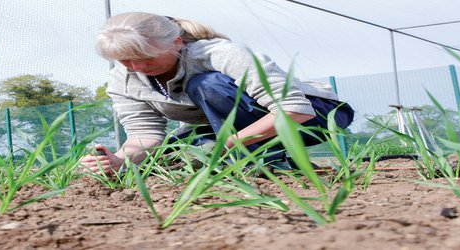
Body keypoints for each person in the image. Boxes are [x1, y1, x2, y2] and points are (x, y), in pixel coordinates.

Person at [80, 12, 354, 174]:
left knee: (207, 85)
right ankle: (267, 159)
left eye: (145, 56)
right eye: (125, 60)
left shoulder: (219, 54)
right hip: (229, 130)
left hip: (315, 118)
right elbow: (144, 135)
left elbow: (295, 109)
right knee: (170, 155)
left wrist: (227, 144)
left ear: (176, 42)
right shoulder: (123, 79)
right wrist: (119, 160)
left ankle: (266, 164)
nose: (137, 67)